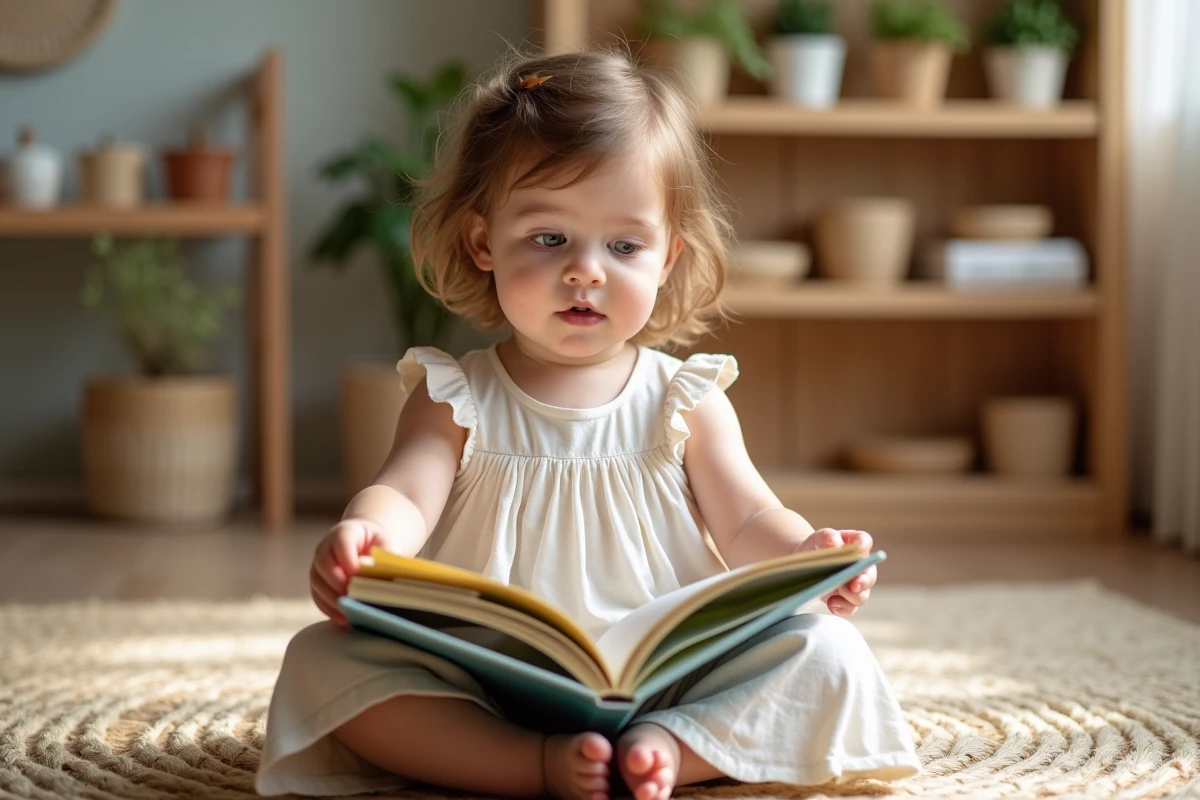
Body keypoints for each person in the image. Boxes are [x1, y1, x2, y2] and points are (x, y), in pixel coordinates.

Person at [255, 47, 921, 800]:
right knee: (323, 659)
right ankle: (526, 763)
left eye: (624, 245)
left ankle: (672, 748)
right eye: (549, 239)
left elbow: (748, 518)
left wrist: (806, 554)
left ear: (668, 256)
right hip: (485, 682)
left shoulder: (686, 397)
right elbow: (404, 494)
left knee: (828, 652)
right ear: (483, 243)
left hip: (668, 675)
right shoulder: (456, 394)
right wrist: (364, 538)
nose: (586, 271)